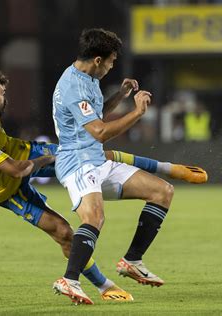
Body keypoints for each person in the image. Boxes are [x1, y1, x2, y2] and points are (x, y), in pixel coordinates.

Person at [0, 68, 206, 303]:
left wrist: (119, 96)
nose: (6, 98)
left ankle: (169, 169)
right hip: (6, 189)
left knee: (89, 152)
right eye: (2, 93)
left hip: (23, 152)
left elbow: (91, 124)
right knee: (62, 232)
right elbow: (18, 170)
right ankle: (104, 286)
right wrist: (50, 158)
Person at [52, 28, 183, 305]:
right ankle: (69, 280)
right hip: (76, 162)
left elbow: (95, 117)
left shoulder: (87, 77)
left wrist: (121, 96)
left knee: (162, 191)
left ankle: (132, 260)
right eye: (111, 61)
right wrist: (137, 112)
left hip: (97, 160)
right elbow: (99, 131)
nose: (112, 66)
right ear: (98, 59)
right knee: (95, 217)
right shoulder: (73, 86)